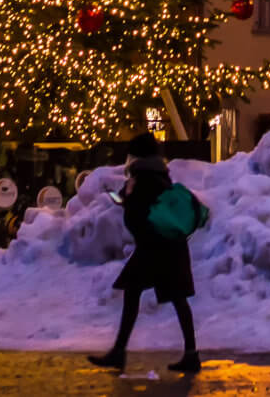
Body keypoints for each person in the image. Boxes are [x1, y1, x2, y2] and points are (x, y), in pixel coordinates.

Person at [88, 134, 200, 376]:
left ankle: (119, 353)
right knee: (175, 297)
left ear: (136, 156)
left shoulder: (145, 178)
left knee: (138, 293)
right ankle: (190, 354)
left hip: (156, 248)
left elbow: (140, 210)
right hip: (167, 246)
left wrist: (126, 199)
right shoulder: (159, 174)